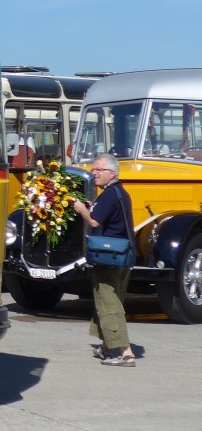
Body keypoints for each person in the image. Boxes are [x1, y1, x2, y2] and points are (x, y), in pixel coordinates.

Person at [73, 153, 136, 367]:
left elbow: (95, 220)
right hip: (123, 257)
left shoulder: (109, 194)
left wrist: (82, 209)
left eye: (99, 170)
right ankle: (108, 346)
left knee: (109, 303)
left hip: (108, 258)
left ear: (112, 173)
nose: (94, 173)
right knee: (110, 301)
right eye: (93, 169)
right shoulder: (120, 193)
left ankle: (125, 353)